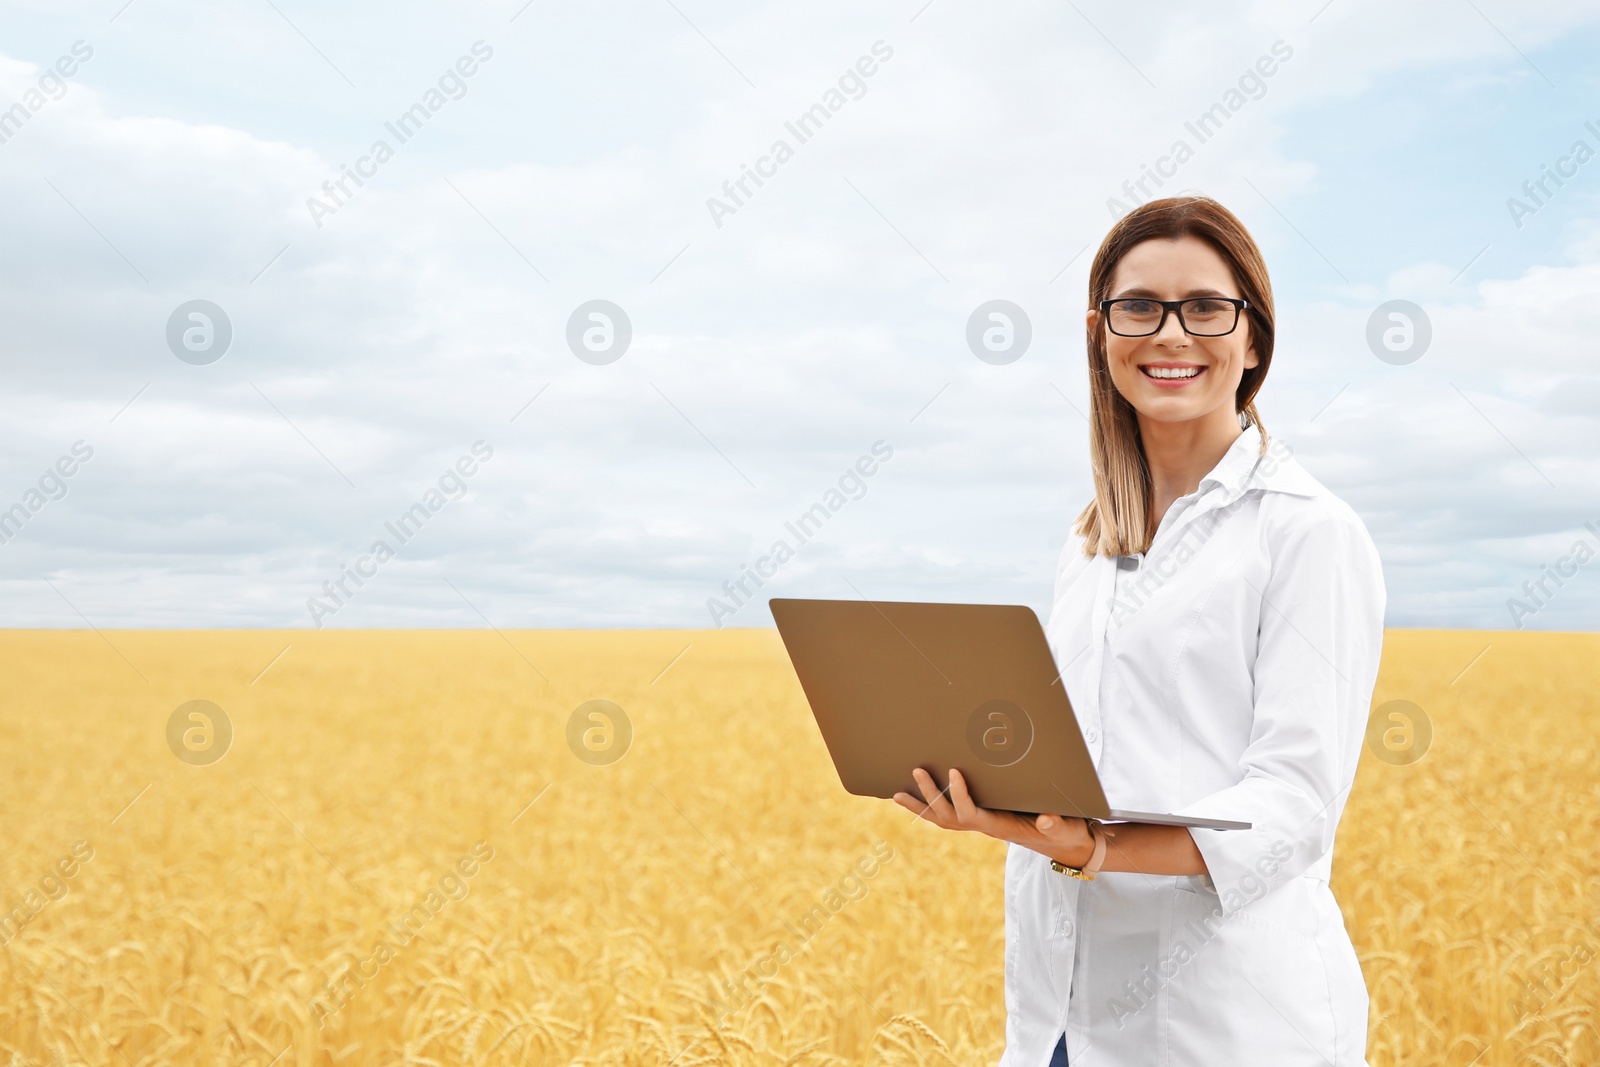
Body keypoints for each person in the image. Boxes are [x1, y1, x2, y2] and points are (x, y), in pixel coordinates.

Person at [893, 195, 1385, 1065]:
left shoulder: (1309, 532)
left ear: (1254, 340)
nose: (1169, 333)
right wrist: (987, 791)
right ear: (1099, 333)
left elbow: (1294, 809)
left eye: (1204, 307)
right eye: (1138, 307)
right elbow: (1084, 758)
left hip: (1225, 1026)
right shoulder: (1087, 541)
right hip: (1059, 1022)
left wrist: (1093, 847)